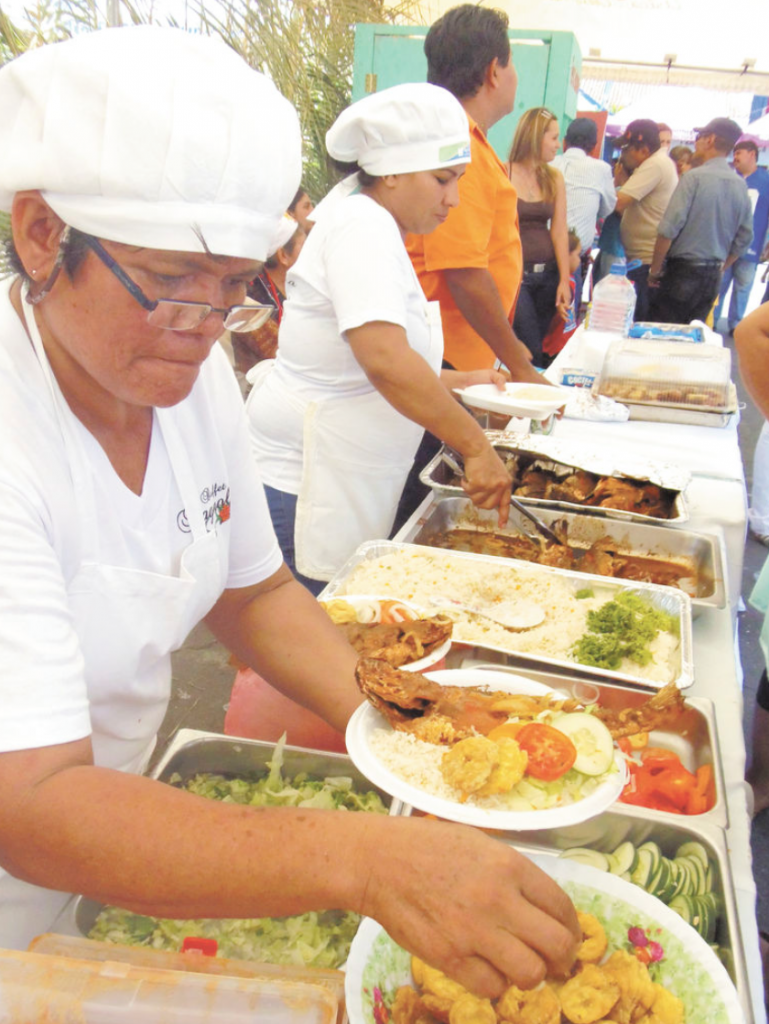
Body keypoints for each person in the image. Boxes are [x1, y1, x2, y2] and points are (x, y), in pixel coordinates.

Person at [0, 28, 581, 984]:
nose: (201, 329)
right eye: (172, 283)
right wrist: (365, 860)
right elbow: (32, 802)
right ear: (41, 234)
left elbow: (254, 592)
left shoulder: (188, 381)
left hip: (98, 835)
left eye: (233, 289)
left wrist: (410, 724)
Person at [247, 82, 515, 594]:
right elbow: (384, 361)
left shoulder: (374, 223)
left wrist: (463, 383)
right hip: (308, 483)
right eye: (442, 180)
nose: (453, 199)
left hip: (337, 475)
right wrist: (475, 447)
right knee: (305, 644)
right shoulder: (361, 226)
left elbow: (362, 364)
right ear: (391, 172)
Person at [405, 4, 541, 381]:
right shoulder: (458, 144)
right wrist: (518, 363)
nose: (516, 75)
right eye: (511, 63)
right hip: (446, 356)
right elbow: (463, 271)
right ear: (493, 72)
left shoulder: (467, 141)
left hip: (458, 352)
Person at [649, 117, 753, 325]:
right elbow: (744, 239)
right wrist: (721, 266)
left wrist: (655, 270)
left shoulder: (693, 178)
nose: (695, 142)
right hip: (713, 275)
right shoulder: (740, 185)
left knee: (663, 333)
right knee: (693, 336)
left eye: (699, 138)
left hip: (683, 271)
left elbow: (668, 229)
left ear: (711, 140)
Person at [506, 108, 571, 366]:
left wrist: (564, 280)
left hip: (548, 276)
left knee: (540, 345)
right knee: (529, 349)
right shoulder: (504, 172)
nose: (558, 145)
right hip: (516, 276)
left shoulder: (554, 178)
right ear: (535, 137)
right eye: (554, 138)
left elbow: (559, 230)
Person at [613, 120, 678, 321]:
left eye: (625, 148)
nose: (622, 155)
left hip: (646, 261)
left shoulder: (655, 165)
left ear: (642, 149)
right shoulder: (654, 164)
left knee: (639, 321)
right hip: (641, 258)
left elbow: (618, 202)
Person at [551, 117, 616, 316]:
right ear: (594, 147)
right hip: (572, 259)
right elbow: (607, 209)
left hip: (540, 256)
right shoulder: (601, 169)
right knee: (566, 324)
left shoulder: (550, 163)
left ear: (564, 142)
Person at [714, 139, 769, 333]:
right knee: (719, 284)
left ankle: (736, 325)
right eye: (734, 153)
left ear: (752, 154)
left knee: (743, 288)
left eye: (740, 153)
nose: (735, 157)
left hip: (752, 246)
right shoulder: (728, 178)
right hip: (724, 244)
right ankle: (711, 319)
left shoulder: (766, 181)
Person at [542, 229, 581, 362]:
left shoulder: (569, 280)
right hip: (554, 348)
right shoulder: (561, 284)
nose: (579, 260)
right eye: (577, 255)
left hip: (565, 343)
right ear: (565, 256)